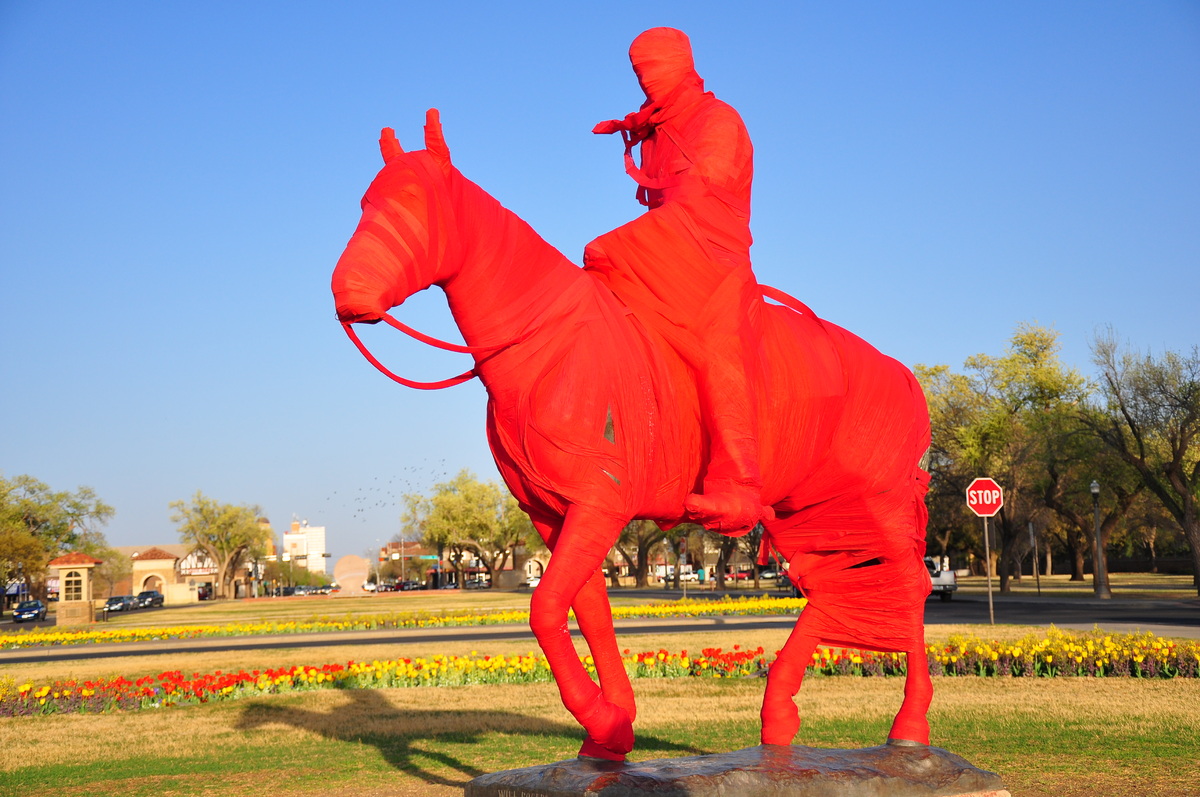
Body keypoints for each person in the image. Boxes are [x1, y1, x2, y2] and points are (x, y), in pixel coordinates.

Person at [585, 27, 771, 535]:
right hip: (668, 247)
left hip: (712, 256)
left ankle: (740, 481)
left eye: (656, 69)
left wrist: (623, 246)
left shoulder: (718, 120)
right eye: (639, 73)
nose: (648, 81)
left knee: (717, 346)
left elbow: (699, 198)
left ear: (684, 63)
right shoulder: (656, 132)